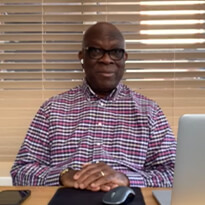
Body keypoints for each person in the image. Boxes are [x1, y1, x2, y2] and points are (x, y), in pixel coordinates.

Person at [10, 22, 176, 192]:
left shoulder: (149, 111)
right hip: (67, 199)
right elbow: (21, 171)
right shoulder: (52, 109)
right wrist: (62, 175)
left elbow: (174, 174)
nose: (106, 59)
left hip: (127, 198)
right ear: (82, 57)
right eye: (96, 51)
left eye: (115, 52)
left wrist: (126, 178)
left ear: (124, 58)